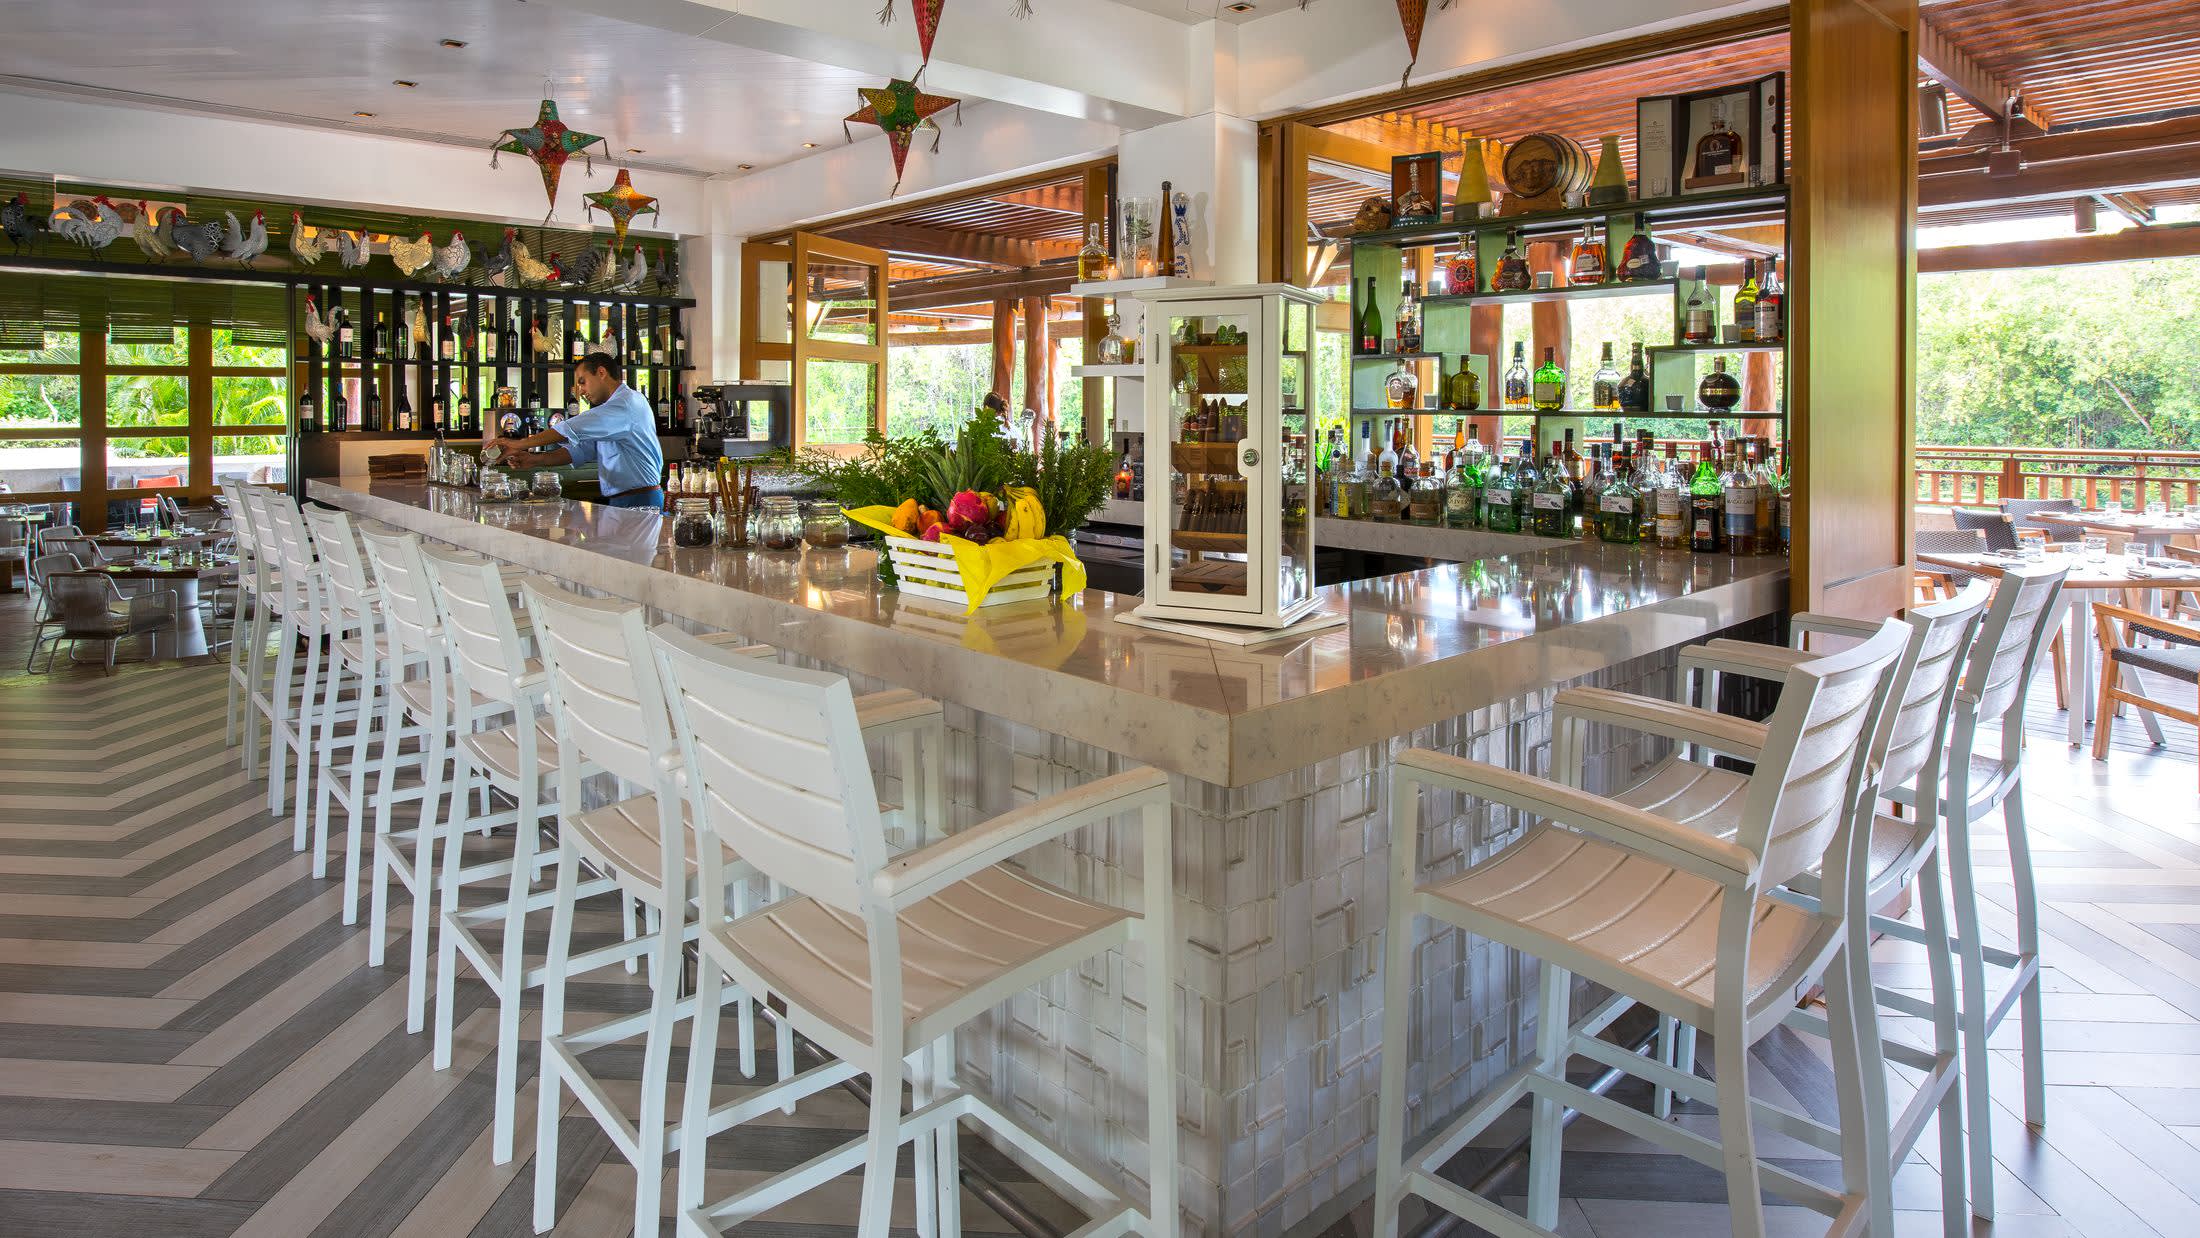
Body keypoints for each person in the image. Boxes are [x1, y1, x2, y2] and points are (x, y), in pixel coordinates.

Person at [483, 353, 666, 509]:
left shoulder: (626, 403)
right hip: (623, 499)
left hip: (641, 499)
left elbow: (569, 429)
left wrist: (518, 443)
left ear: (601, 373)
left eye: (583, 382)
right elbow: (580, 450)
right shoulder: (611, 411)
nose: (581, 391)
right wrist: (533, 459)